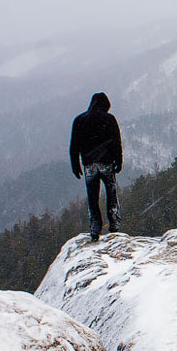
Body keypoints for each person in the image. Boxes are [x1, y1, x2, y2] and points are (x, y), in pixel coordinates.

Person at [70, 92, 122, 241]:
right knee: (111, 194)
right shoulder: (109, 119)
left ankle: (95, 228)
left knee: (93, 197)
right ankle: (114, 223)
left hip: (89, 165)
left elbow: (74, 145)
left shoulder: (79, 120)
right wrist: (119, 161)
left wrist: (75, 164)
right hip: (107, 163)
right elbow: (116, 142)